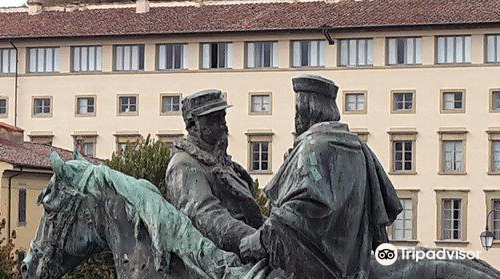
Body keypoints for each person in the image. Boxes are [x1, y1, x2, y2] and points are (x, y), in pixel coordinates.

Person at [239, 74, 403, 279]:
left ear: (306, 112)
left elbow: (299, 209)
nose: (295, 119)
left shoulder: (313, 146)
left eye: (297, 111)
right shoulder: (359, 148)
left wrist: (257, 241)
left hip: (312, 269)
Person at [164, 89, 264, 256]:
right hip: (221, 256)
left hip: (249, 247)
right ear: (193, 125)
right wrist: (253, 239)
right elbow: (207, 217)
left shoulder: (221, 161)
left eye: (223, 117)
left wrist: (272, 233)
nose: (223, 125)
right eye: (214, 119)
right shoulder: (184, 165)